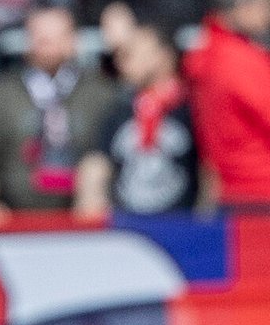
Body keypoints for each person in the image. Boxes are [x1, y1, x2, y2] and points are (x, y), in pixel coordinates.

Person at [0, 5, 118, 223]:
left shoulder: (101, 94)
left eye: (56, 36)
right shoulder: (1, 94)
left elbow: (112, 157)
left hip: (84, 222)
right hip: (13, 221)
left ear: (74, 40)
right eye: (39, 36)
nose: (46, 44)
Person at [78, 23, 199, 218]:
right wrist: (91, 199)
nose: (121, 62)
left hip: (183, 230)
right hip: (129, 236)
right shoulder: (118, 111)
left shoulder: (193, 108)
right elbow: (96, 166)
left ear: (164, 55)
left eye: (131, 54)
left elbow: (211, 174)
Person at [184, 0, 270, 207]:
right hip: (261, 191)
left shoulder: (205, 52)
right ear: (244, 5)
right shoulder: (239, 61)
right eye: (265, 4)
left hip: (228, 191)